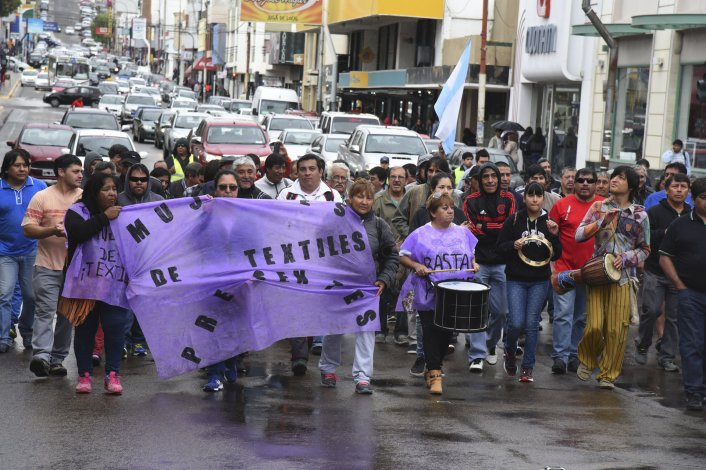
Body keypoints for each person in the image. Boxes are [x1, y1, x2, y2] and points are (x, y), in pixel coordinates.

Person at [318, 179, 399, 394]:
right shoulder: (334, 222)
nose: (364, 201)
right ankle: (328, 369)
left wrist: (383, 279)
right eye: (360, 196)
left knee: (366, 330)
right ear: (350, 198)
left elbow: (392, 255)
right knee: (334, 328)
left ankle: (363, 377)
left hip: (367, 288)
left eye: (369, 197)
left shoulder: (379, 225)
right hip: (337, 286)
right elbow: (319, 250)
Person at [575, 165, 650, 389]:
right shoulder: (598, 207)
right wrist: (600, 222)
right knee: (595, 326)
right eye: (614, 176)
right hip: (598, 273)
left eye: (621, 177)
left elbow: (645, 249)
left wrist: (626, 258)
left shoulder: (640, 214)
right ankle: (587, 360)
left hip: (624, 278)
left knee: (617, 330)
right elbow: (579, 234)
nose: (614, 180)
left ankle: (608, 375)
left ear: (632, 185)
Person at [400, 192, 479, 394]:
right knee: (430, 330)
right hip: (428, 291)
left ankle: (434, 365)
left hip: (455, 292)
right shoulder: (420, 233)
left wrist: (474, 263)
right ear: (433, 213)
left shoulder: (463, 233)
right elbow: (403, 255)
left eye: (451, 207)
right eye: (444, 208)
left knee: (447, 333)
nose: (450, 211)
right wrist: (417, 265)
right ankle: (435, 373)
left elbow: (471, 254)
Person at [277, 154, 342, 375]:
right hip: (293, 260)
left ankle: (317, 345)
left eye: (311, 169)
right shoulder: (286, 194)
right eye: (302, 169)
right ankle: (299, 356)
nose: (307, 173)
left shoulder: (332, 195)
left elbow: (340, 228)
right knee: (296, 307)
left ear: (321, 171)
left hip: (323, 261)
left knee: (318, 307)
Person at [64, 173, 126, 394]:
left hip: (114, 284)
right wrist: (104, 218)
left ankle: (113, 375)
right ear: (93, 192)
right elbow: (77, 233)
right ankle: (85, 375)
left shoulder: (124, 213)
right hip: (85, 285)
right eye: (106, 189)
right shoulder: (76, 212)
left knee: (115, 329)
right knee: (85, 331)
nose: (111, 193)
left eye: (114, 189)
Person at [22, 154, 83, 377]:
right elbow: (28, 229)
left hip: (75, 269)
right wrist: (52, 230)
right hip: (46, 265)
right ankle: (41, 357)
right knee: (45, 311)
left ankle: (57, 359)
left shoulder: (84, 199)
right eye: (75, 171)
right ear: (60, 172)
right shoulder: (42, 197)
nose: (80, 175)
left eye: (81, 171)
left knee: (67, 316)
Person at [497, 182, 561, 382]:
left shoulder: (549, 222)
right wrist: (512, 244)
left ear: (543, 198)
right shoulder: (514, 220)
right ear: (524, 198)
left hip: (539, 280)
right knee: (516, 323)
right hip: (516, 278)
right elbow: (500, 247)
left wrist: (555, 234)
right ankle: (509, 351)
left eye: (538, 195)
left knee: (532, 323)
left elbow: (557, 254)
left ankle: (527, 367)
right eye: (530, 195)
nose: (534, 199)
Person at [548, 168, 604, 374]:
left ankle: (574, 355)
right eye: (581, 180)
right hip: (564, 269)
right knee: (563, 314)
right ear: (574, 183)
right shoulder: (562, 204)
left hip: (591, 271)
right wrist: (552, 269)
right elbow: (551, 236)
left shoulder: (603, 205)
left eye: (590, 181)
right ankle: (560, 358)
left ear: (596, 184)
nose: (585, 184)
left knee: (581, 316)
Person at [464, 162, 517, 372]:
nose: (490, 180)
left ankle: (489, 344)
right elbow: (471, 230)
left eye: (493, 176)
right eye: (485, 176)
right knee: (477, 311)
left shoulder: (509, 198)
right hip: (478, 262)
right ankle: (476, 355)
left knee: (501, 312)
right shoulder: (470, 200)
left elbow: (509, 227)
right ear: (479, 180)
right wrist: (494, 231)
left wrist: (483, 226)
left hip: (503, 263)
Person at [634, 173, 690, 372]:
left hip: (679, 274)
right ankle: (642, 342)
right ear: (666, 189)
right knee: (652, 310)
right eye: (675, 186)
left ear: (688, 191)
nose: (679, 190)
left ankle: (667, 356)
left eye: (683, 187)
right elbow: (645, 238)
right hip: (655, 270)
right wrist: (664, 233)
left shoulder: (690, 214)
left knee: (674, 318)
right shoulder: (655, 212)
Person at [659, 177, 706, 411]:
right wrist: (679, 285)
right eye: (704, 198)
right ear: (694, 199)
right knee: (692, 343)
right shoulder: (680, 224)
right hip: (691, 294)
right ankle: (694, 392)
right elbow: (665, 256)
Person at [0, 150, 47, 352]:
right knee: (4, 295)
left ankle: (27, 332)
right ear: (7, 168)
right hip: (4, 252)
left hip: (32, 251)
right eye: (17, 165)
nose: (22, 169)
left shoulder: (39, 187)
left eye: (25, 165)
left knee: (31, 296)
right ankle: (3, 337)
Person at [201, 170, 241, 392]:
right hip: (210, 281)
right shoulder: (204, 216)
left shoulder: (250, 215)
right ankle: (214, 373)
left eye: (232, 187)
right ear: (215, 189)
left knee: (234, 327)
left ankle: (231, 362)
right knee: (213, 327)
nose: (227, 191)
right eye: (223, 187)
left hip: (240, 282)